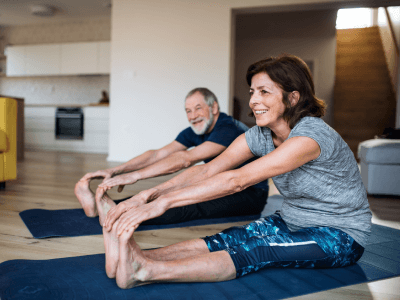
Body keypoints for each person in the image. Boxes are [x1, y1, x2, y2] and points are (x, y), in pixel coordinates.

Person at [99, 54, 372, 289]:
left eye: (264, 92)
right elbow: (208, 171)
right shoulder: (260, 135)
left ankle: (146, 271)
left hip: (340, 234)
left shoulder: (310, 137)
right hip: (291, 220)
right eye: (252, 92)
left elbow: (237, 180)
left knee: (255, 251)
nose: (254, 101)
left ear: (292, 98)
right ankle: (136, 257)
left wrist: (161, 204)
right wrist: (146, 195)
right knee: (226, 239)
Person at [75, 87, 269, 226]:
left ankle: (114, 213)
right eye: (188, 111)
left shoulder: (227, 128)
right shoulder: (197, 129)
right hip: (219, 182)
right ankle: (111, 209)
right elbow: (159, 154)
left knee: (186, 203)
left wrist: (136, 176)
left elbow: (186, 159)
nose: (193, 116)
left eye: (198, 108)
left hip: (249, 194)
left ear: (214, 108)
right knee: (170, 193)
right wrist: (115, 170)